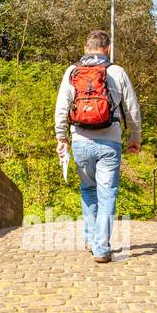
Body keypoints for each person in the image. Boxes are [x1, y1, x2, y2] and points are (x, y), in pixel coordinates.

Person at [54, 30, 142, 263]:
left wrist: (62, 137)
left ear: (86, 48)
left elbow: (62, 107)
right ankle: (101, 248)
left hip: (80, 140)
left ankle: (91, 239)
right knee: (107, 194)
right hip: (110, 141)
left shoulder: (73, 72)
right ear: (108, 48)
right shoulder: (117, 71)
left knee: (88, 189)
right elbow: (132, 108)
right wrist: (135, 136)